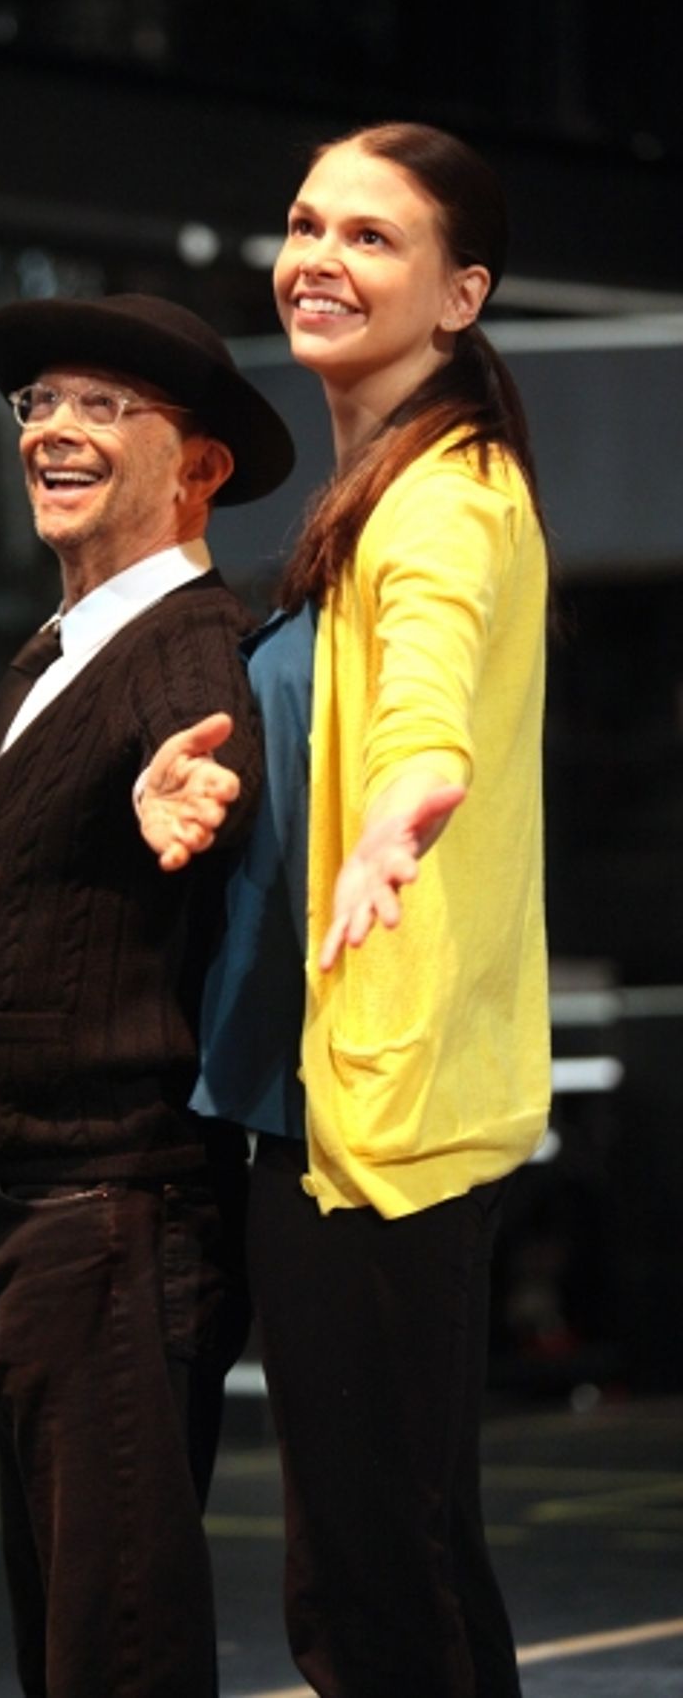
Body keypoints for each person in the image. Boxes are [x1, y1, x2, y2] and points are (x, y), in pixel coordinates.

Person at [139, 123, 550, 1697]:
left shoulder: (444, 501)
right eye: (307, 223)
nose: (318, 256)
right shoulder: (368, 503)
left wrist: (408, 800)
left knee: (382, 1592)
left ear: (462, 295)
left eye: (372, 237)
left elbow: (428, 690)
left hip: (382, 1123)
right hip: (317, 1105)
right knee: (387, 1567)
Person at [0, 292, 295, 1698]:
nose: (55, 429)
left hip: (108, 1216)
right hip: (38, 1213)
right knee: (70, 1637)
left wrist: (191, 788)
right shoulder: (62, 649)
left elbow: (203, 740)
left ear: (201, 468)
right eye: (41, 404)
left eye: (104, 407)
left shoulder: (177, 638)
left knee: (118, 1644)